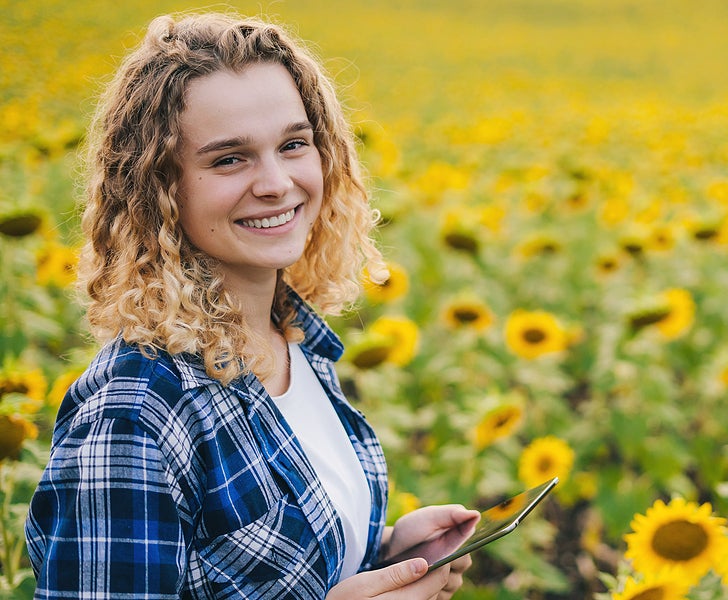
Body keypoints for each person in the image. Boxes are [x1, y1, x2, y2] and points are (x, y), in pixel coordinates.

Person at [26, 12, 479, 599]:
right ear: (158, 188)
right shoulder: (135, 414)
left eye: (294, 144)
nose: (276, 182)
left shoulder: (294, 341)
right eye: (229, 158)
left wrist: (386, 553)